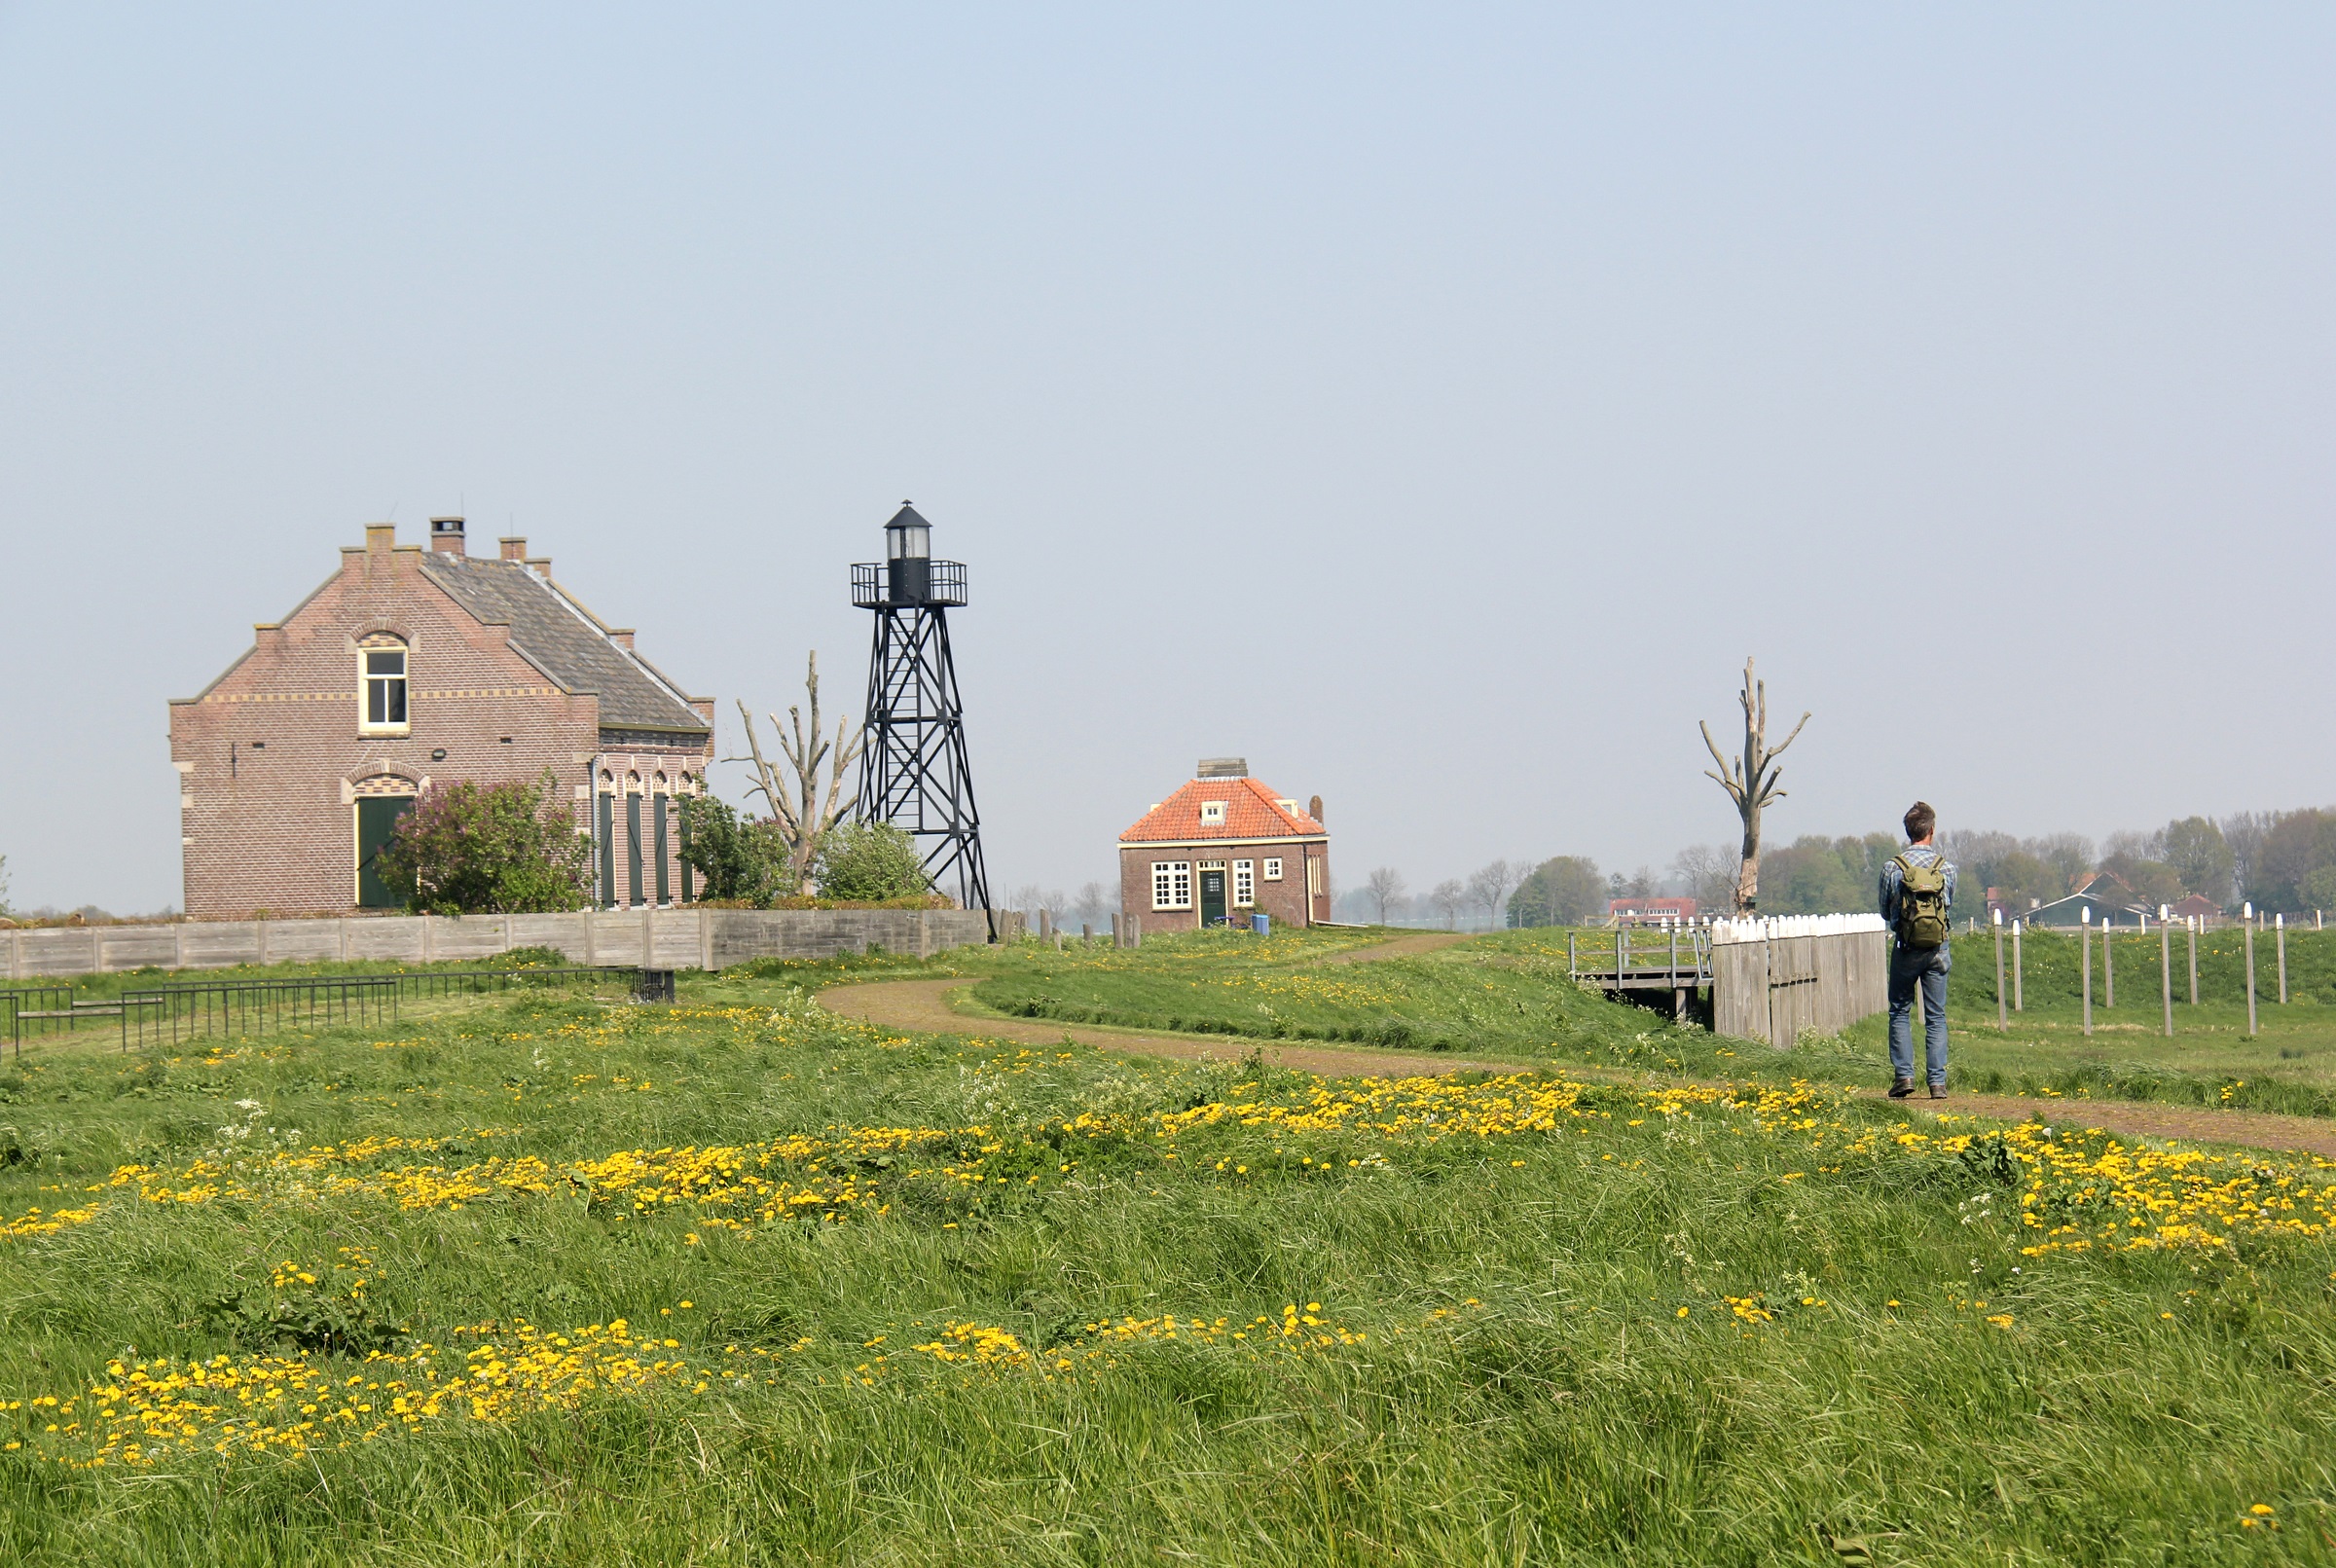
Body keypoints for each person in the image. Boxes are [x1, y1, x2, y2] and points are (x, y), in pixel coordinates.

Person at [1879, 801, 1955, 1099]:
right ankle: (1937, 1083)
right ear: (1931, 830)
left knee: (1900, 1010)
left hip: (1906, 947)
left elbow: (1885, 910)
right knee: (1936, 1015)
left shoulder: (1892, 867)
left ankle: (1904, 1076)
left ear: (1908, 831)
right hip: (1937, 948)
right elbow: (1948, 905)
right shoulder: (1946, 867)